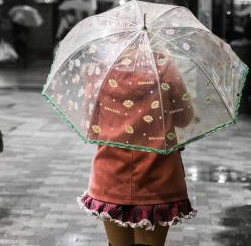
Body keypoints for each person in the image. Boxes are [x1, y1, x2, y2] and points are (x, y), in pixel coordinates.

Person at [79, 52, 195, 246]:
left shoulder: (101, 68)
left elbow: (91, 128)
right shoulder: (163, 65)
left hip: (111, 175)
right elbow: (185, 118)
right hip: (158, 176)